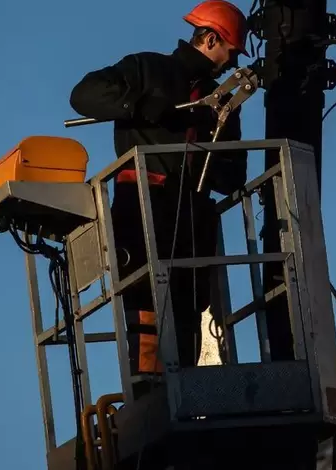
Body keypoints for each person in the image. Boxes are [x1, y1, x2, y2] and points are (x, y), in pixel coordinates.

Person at [68, 0, 250, 398]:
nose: (231, 62)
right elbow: (83, 95)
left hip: (192, 214)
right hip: (142, 203)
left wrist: (212, 143)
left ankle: (180, 383)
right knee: (144, 293)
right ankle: (146, 385)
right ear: (210, 38)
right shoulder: (146, 69)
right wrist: (137, 105)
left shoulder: (221, 102)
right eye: (231, 51)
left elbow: (234, 173)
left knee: (187, 301)